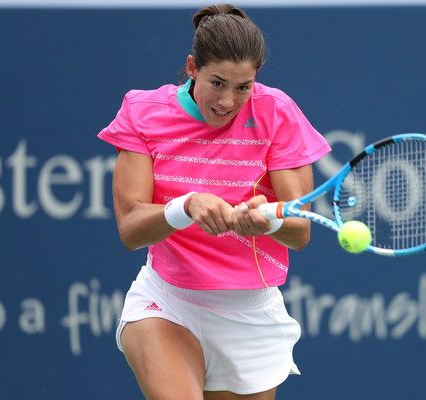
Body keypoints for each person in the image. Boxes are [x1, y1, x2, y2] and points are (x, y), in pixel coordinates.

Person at [98, 4, 331, 400]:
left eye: (243, 87)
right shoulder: (144, 112)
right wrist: (185, 206)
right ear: (192, 68)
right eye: (217, 83)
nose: (228, 101)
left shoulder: (277, 112)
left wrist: (267, 220)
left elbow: (300, 231)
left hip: (250, 315)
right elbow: (131, 229)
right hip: (167, 301)